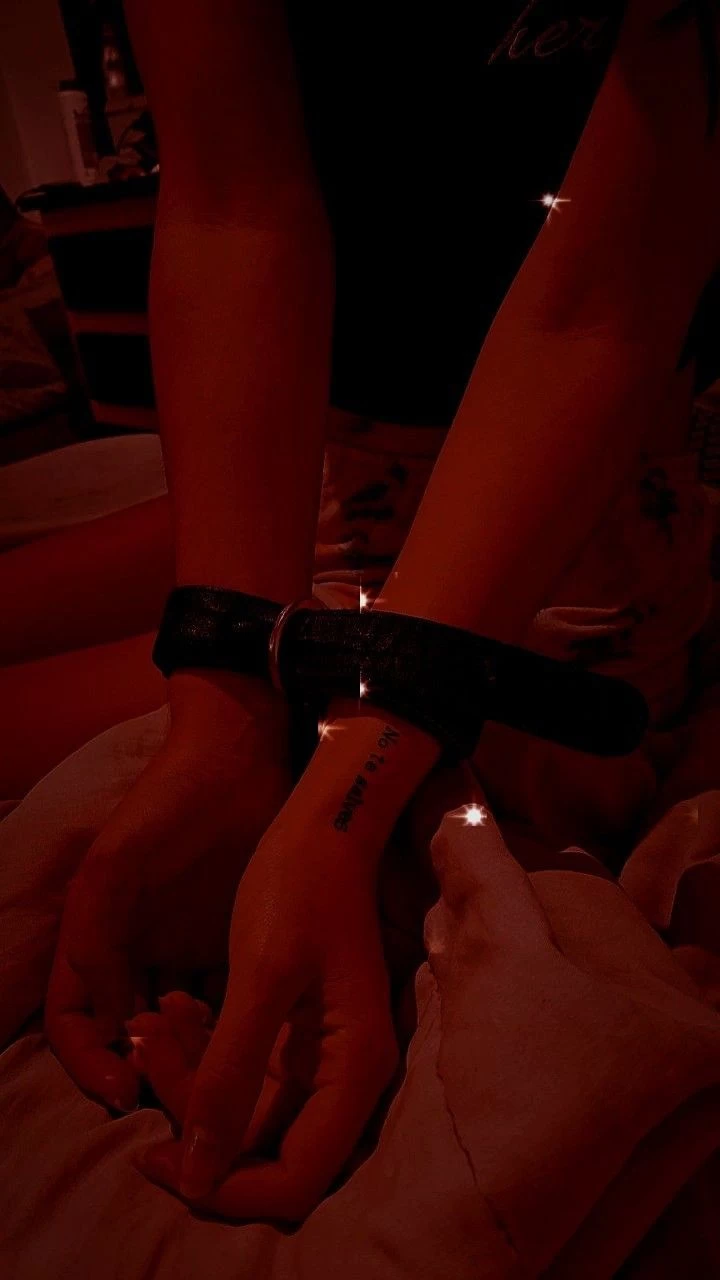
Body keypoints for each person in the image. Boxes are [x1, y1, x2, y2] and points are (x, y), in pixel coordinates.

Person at [20, 0, 720, 1223]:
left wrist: (348, 789)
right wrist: (219, 718)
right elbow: (234, 204)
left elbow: (603, 295)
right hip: (324, 473)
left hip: (562, 516)